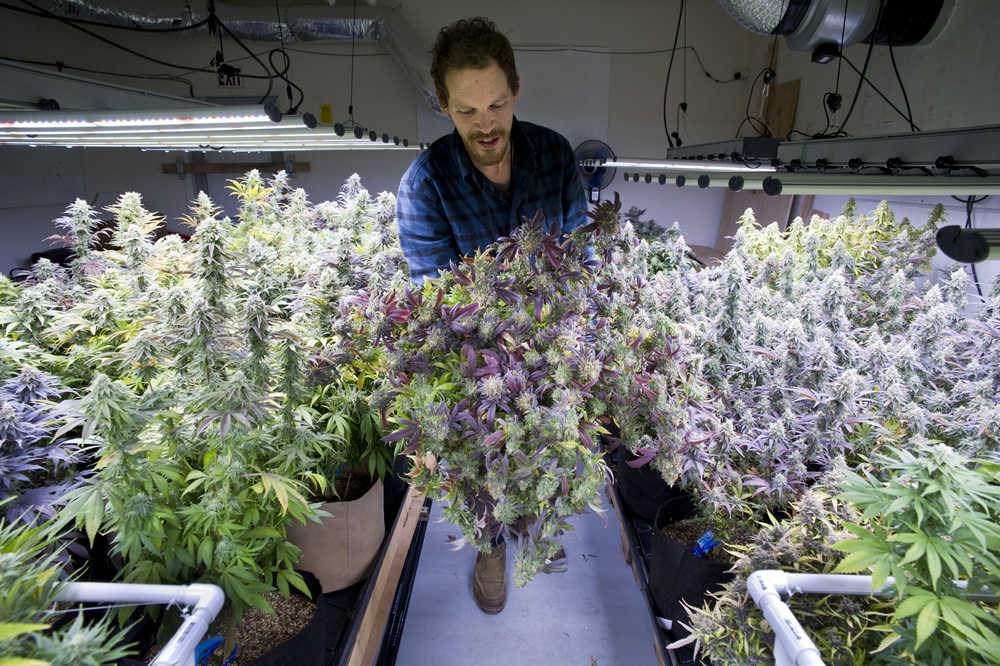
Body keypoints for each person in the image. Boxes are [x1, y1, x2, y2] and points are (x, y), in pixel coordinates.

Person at [395, 17, 587, 614]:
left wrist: (564, 341)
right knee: (481, 467)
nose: (485, 124)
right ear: (444, 106)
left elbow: (582, 258)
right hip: (476, 364)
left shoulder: (554, 155)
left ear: (516, 90)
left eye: (496, 104)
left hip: (551, 347)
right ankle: (490, 547)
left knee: (552, 451)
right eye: (467, 111)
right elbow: (438, 308)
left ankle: (536, 525)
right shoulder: (424, 185)